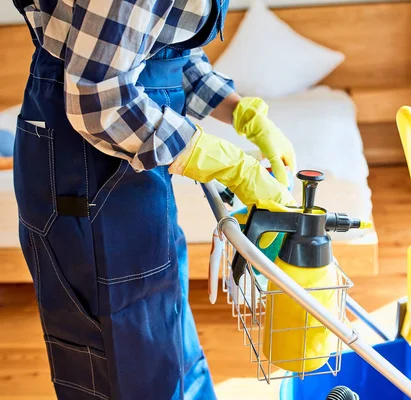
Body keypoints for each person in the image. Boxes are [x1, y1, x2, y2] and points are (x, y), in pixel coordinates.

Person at [11, 0, 296, 399]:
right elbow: (99, 99)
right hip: (86, 167)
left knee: (166, 337)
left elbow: (163, 45)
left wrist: (240, 112)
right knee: (127, 358)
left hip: (134, 166)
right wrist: (219, 160)